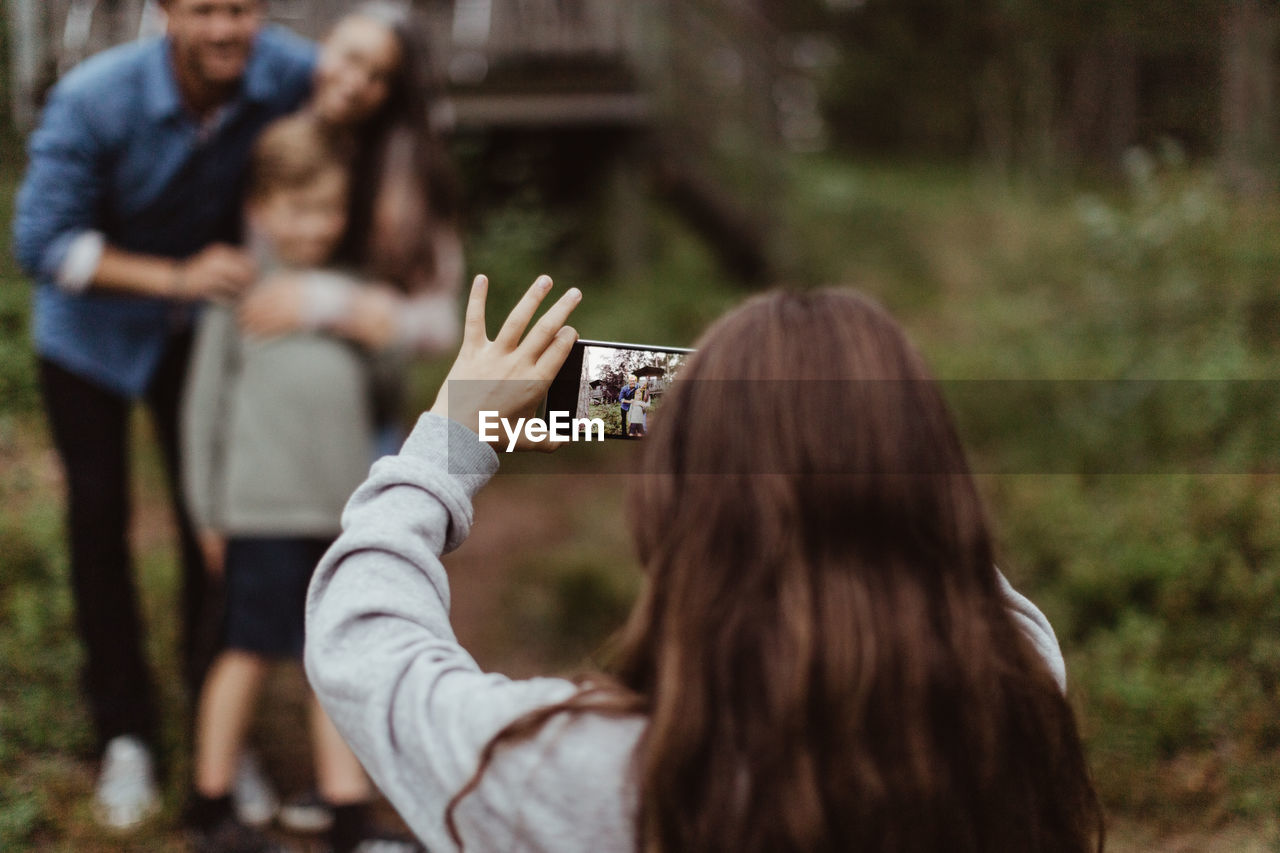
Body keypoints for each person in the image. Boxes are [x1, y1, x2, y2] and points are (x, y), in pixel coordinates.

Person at [304, 278, 1105, 853]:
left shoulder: (600, 777)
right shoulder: (1017, 698)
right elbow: (943, 565)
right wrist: (813, 419)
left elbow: (362, 640)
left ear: (691, 514)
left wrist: (454, 434)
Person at [10, 0, 314, 830]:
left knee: (215, 520)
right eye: (206, 9)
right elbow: (40, 244)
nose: (227, 30)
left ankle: (218, 730)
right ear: (168, 13)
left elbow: (363, 123)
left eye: (242, 9)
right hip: (90, 340)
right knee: (98, 519)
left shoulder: (287, 72)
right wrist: (175, 277)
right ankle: (125, 736)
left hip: (207, 342)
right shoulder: (93, 100)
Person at [181, 115, 410, 853]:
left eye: (328, 210)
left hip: (341, 513)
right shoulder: (237, 295)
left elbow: (388, 387)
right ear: (262, 209)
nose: (313, 226)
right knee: (245, 651)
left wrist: (372, 330)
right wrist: (206, 513)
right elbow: (200, 414)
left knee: (332, 663)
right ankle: (210, 802)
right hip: (261, 511)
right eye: (296, 209)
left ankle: (347, 813)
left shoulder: (348, 293)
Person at [235, 1, 464, 456]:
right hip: (273, 405)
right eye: (351, 57)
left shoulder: (406, 176)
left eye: (379, 76)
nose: (357, 83)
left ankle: (627, 413)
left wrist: (329, 302)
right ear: (322, 46)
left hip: (363, 405)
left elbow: (441, 323)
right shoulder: (280, 139)